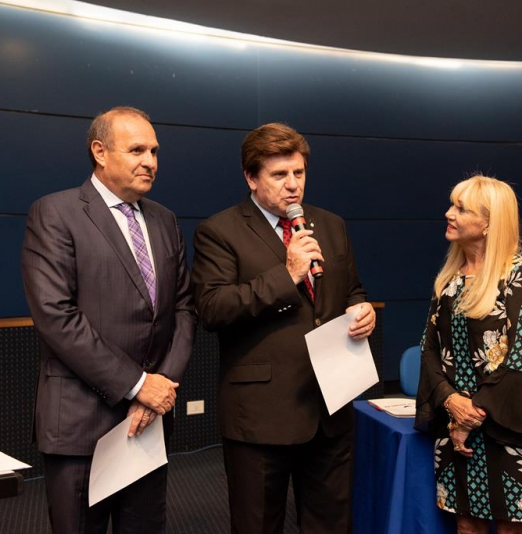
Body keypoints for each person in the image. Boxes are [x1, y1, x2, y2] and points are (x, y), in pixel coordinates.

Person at [192, 122, 376, 533]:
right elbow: (212, 309)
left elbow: (352, 289)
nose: (293, 185)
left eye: (299, 172)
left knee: (331, 524)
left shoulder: (330, 225)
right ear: (251, 178)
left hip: (330, 408)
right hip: (262, 415)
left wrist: (361, 308)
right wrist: (287, 275)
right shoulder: (219, 231)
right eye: (279, 175)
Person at [21, 106, 196, 533]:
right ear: (100, 152)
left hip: (149, 422)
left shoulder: (165, 220)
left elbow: (184, 309)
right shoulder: (55, 212)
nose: (150, 161)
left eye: (154, 151)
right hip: (81, 425)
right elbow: (56, 316)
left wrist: (161, 386)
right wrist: (138, 385)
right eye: (137, 150)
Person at [414, 175, 522, 533]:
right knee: (466, 525)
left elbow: (521, 358)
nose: (449, 213)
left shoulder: (519, 274)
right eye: (452, 205)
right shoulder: (449, 279)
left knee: (511, 527)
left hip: (504, 420)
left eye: (461, 209)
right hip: (454, 418)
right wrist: (451, 402)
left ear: (489, 224)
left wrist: (469, 417)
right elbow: (428, 349)